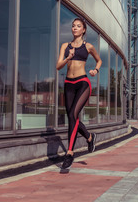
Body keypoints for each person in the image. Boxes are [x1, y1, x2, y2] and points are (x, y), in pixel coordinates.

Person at [56, 18, 102, 169]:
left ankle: (69, 153)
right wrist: (68, 57)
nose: (75, 28)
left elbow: (99, 61)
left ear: (83, 30)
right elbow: (58, 66)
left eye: (78, 26)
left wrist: (95, 70)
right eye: (73, 26)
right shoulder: (65, 46)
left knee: (72, 116)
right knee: (72, 117)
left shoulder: (88, 46)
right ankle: (89, 137)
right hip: (68, 84)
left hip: (83, 83)